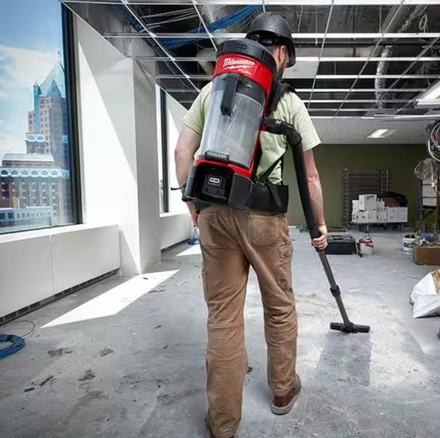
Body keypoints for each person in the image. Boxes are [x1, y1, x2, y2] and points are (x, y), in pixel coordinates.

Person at [173, 12, 328, 438]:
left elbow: (182, 151)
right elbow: (310, 177)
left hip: (215, 214)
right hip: (264, 217)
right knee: (279, 308)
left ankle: (223, 423)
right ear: (282, 52)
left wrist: (193, 203)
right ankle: (282, 392)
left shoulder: (212, 90)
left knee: (223, 317)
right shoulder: (290, 103)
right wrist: (320, 226)